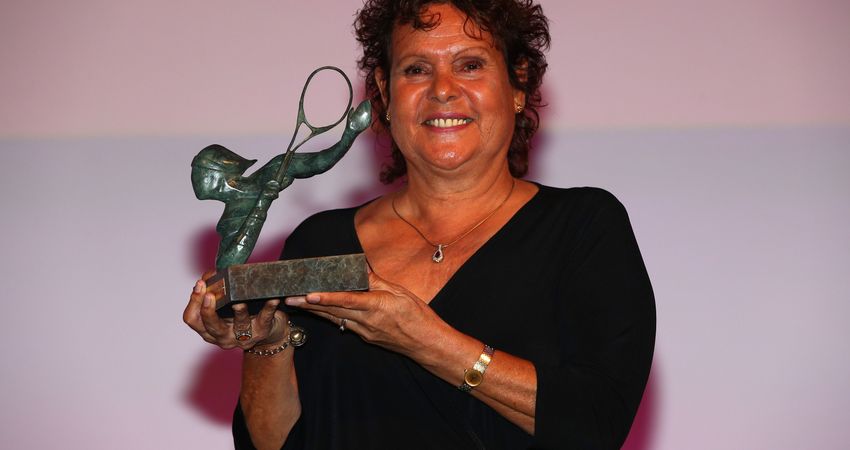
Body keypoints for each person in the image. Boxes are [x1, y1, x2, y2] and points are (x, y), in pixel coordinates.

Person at [184, 1, 655, 449]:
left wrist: (424, 339)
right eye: (416, 69)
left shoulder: (583, 227)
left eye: (470, 64)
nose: (442, 89)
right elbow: (272, 444)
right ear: (385, 94)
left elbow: (596, 422)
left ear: (517, 85)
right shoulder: (318, 241)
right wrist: (269, 342)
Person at [190, 100, 371, 269]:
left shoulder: (273, 170)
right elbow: (227, 265)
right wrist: (261, 204)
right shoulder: (230, 218)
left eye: (199, 170)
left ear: (219, 174)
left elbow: (318, 162)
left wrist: (350, 133)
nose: (195, 176)